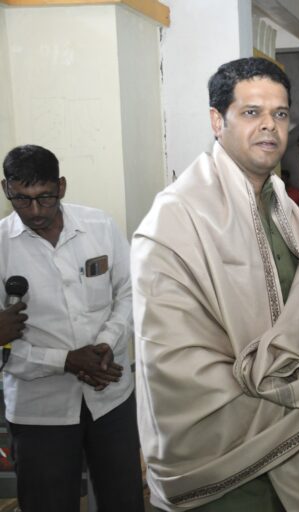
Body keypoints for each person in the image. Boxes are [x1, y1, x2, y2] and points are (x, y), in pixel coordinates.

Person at [131, 57, 299, 511]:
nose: (269, 126)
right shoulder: (175, 219)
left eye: (279, 113)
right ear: (217, 120)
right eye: (251, 112)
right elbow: (176, 366)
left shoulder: (286, 208)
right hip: (226, 469)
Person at [0, 144, 143, 512]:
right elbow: (3, 344)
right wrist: (66, 360)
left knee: (123, 499)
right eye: (22, 199)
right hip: (39, 409)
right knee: (48, 503)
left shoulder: (99, 227)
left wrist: (106, 345)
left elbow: (130, 291)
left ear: (61, 186)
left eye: (45, 197)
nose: (34, 211)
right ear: (6, 189)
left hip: (110, 397)